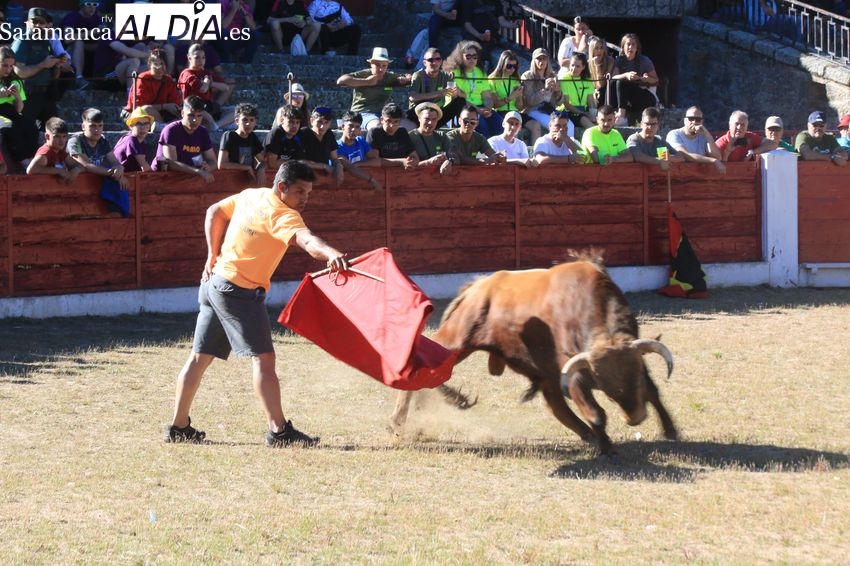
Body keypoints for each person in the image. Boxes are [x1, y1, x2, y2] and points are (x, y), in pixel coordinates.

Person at [165, 159, 350, 447]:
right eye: (300, 192)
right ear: (282, 187)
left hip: (215, 283)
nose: (305, 199)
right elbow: (307, 240)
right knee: (263, 359)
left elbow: (214, 211)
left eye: (308, 193)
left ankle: (178, 427)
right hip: (238, 291)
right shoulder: (284, 215)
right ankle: (279, 431)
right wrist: (331, 253)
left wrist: (212, 255)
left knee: (199, 358)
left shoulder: (253, 194)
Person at [12, 8, 74, 130]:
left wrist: (57, 65)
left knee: (56, 131)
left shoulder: (47, 42)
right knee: (24, 132)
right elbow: (19, 72)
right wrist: (43, 65)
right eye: (34, 22)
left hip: (46, 94)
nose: (38, 25)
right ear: (27, 23)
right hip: (27, 95)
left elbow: (53, 74)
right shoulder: (22, 42)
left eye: (41, 22)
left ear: (46, 25)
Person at [337, 47, 412, 130]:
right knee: (378, 127)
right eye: (377, 65)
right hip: (362, 113)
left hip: (385, 114)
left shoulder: (389, 77)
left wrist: (406, 78)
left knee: (410, 126)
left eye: (384, 66)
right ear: (371, 64)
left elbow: (410, 78)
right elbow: (341, 81)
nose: (381, 69)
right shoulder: (364, 74)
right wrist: (367, 82)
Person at [153, 96, 216, 183]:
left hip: (189, 179)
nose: (195, 120)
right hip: (161, 180)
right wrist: (198, 171)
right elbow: (171, 163)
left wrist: (209, 167)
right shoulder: (171, 130)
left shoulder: (203, 132)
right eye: (191, 115)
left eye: (199, 116)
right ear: (182, 113)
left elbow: (213, 161)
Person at [444, 40, 501, 137]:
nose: (472, 59)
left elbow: (487, 96)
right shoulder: (453, 73)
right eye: (468, 56)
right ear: (460, 57)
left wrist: (487, 109)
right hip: (462, 108)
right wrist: (478, 110)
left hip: (480, 108)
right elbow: (456, 97)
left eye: (475, 56)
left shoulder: (481, 72)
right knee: (482, 126)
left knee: (500, 123)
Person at [486, 49, 539, 143]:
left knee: (535, 125)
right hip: (501, 112)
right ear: (502, 64)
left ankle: (535, 151)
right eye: (509, 66)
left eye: (514, 66)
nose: (512, 69)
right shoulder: (492, 79)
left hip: (515, 112)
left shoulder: (516, 80)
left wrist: (519, 96)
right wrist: (510, 97)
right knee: (513, 127)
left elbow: (519, 107)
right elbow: (495, 104)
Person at [67, 107, 129, 189]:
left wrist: (119, 169)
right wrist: (113, 174)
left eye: (100, 126)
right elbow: (87, 165)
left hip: (93, 186)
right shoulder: (75, 141)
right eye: (92, 126)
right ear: (83, 127)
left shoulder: (102, 141)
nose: (97, 130)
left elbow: (114, 161)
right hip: (72, 186)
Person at [177, 43, 235, 131]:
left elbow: (226, 87)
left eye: (203, 57)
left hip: (208, 106)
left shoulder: (205, 72)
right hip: (192, 108)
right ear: (189, 58)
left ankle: (217, 125)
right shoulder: (187, 74)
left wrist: (211, 83)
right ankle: (214, 125)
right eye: (197, 58)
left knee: (236, 111)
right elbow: (203, 89)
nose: (201, 61)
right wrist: (207, 81)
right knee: (202, 112)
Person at [0, 45, 39, 171]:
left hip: (10, 112)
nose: (8, 69)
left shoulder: (15, 81)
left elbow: (19, 110)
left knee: (31, 127)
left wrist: (17, 97)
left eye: (11, 66)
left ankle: (32, 159)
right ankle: (23, 161)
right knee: (10, 127)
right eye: (4, 65)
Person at [406, 47, 463, 128]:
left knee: (460, 101)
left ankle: (460, 128)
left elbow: (453, 94)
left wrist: (455, 93)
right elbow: (412, 97)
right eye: (430, 60)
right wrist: (439, 93)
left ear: (441, 61)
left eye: (438, 59)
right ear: (424, 63)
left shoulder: (446, 76)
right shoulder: (418, 75)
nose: (434, 62)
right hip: (419, 114)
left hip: (436, 114)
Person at [122, 48, 182, 126]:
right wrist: (164, 106)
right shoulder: (143, 79)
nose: (159, 68)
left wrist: (174, 108)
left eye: (162, 64)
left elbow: (175, 102)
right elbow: (139, 107)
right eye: (156, 64)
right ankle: (163, 127)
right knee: (146, 109)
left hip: (161, 115)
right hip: (140, 114)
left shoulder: (168, 80)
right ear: (150, 65)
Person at [610, 34, 659, 127]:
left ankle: (622, 116)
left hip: (644, 95)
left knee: (622, 83)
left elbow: (655, 80)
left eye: (633, 44)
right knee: (620, 82)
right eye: (628, 44)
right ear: (623, 47)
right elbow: (613, 77)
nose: (630, 47)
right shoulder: (619, 60)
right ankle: (620, 115)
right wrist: (626, 75)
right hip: (625, 97)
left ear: (637, 47)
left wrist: (645, 79)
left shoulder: (644, 60)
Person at [521, 48, 567, 136]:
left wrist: (558, 91)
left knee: (569, 125)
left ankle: (568, 145)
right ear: (534, 61)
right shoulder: (527, 77)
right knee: (556, 125)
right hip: (533, 110)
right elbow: (529, 101)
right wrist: (544, 90)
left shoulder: (553, 76)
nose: (541, 61)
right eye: (538, 59)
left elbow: (559, 103)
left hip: (550, 110)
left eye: (544, 59)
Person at [665, 106, 725, 173]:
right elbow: (686, 155)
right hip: (677, 174)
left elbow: (718, 157)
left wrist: (708, 135)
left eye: (698, 119)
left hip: (699, 176)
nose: (694, 122)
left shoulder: (704, 136)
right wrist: (713, 161)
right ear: (685, 121)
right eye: (691, 119)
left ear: (702, 122)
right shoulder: (674, 134)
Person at [458, 0, 518, 67]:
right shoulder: (469, 2)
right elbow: (467, 24)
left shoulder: (496, 2)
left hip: (490, 37)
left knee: (485, 50)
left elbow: (501, 20)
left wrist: (513, 25)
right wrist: (479, 36)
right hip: (474, 36)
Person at [218, 102, 267, 185]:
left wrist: (261, 169)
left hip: (248, 183)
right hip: (230, 182)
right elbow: (222, 164)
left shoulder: (252, 137)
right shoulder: (229, 136)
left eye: (251, 120)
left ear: (255, 122)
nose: (248, 124)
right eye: (245, 120)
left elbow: (263, 161)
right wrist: (246, 167)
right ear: (237, 121)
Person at [60, 0, 105, 88]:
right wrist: (93, 31)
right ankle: (78, 78)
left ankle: (103, 80)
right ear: (81, 5)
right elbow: (68, 38)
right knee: (78, 42)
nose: (92, 7)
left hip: (87, 51)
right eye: (88, 4)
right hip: (66, 55)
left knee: (107, 44)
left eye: (95, 4)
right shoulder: (72, 16)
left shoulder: (96, 18)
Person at [26, 117, 82, 184]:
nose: (61, 141)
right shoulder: (45, 153)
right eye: (57, 136)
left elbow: (80, 165)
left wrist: (77, 170)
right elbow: (31, 170)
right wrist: (58, 171)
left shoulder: (60, 151)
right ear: (47, 136)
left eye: (64, 136)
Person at [335, 111, 382, 190]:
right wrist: (372, 180)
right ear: (343, 126)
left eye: (357, 127)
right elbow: (350, 168)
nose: (353, 129)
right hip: (344, 188)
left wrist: (358, 164)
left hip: (362, 187)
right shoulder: (336, 147)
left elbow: (376, 161)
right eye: (350, 126)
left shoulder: (360, 140)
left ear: (360, 130)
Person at [299, 106, 344, 184]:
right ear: (312, 121)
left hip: (324, 175)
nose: (322, 126)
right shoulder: (303, 133)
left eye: (326, 122)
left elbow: (334, 158)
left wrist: (338, 166)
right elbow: (298, 161)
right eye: (319, 122)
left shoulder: (329, 134)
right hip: (305, 176)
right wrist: (323, 166)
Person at [366, 102, 418, 169]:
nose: (392, 125)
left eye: (396, 121)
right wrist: (401, 162)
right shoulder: (374, 132)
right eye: (388, 121)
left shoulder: (402, 132)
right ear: (382, 120)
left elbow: (415, 156)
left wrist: (412, 162)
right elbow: (374, 160)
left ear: (400, 122)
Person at [410, 101, 455, 174]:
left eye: (434, 119)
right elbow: (407, 164)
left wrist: (450, 161)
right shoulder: (410, 137)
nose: (430, 123)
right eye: (427, 119)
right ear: (419, 118)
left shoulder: (442, 136)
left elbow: (454, 156)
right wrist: (428, 162)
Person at [556, 53, 597, 132]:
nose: (574, 68)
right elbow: (567, 104)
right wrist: (584, 113)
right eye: (572, 65)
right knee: (585, 120)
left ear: (583, 67)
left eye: (577, 66)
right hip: (567, 112)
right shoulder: (564, 79)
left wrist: (593, 115)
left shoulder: (587, 79)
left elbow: (591, 101)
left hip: (582, 111)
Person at [263, 104, 306, 170]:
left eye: (297, 122)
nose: (294, 126)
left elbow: (301, 162)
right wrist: (296, 164)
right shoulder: (276, 133)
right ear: (282, 120)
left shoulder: (299, 135)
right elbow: (272, 163)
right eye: (291, 122)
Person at [113, 107, 155, 172]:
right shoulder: (131, 139)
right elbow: (145, 168)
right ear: (131, 126)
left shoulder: (140, 142)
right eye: (138, 124)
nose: (142, 127)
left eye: (146, 123)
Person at [587, 36, 615, 108]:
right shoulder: (587, 63)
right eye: (596, 48)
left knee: (601, 90)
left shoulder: (610, 61)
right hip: (592, 91)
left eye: (601, 48)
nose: (599, 50)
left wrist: (597, 65)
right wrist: (593, 91)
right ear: (592, 50)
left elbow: (602, 84)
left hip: (606, 89)